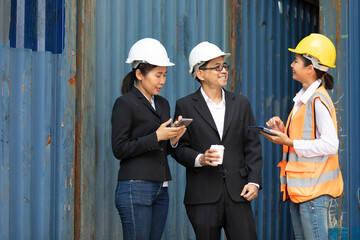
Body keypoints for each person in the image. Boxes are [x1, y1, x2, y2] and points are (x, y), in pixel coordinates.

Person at [171, 41, 263, 240]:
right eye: (217, 67)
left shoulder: (241, 104)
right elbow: (179, 148)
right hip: (203, 197)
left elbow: (253, 146)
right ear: (200, 74)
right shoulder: (185, 106)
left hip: (238, 193)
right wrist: (200, 159)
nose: (223, 71)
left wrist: (254, 181)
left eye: (225, 66)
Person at [262, 33, 344, 240]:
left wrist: (289, 141)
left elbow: (330, 145)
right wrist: (282, 132)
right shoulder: (303, 99)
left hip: (313, 192)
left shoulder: (317, 100)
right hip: (300, 190)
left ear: (310, 68)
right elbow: (303, 137)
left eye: (296, 61)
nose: (291, 64)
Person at [111, 38, 186, 240]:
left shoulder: (163, 103)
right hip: (135, 186)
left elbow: (165, 149)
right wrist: (156, 136)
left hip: (161, 188)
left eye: (165, 75)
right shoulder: (124, 103)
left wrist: (173, 139)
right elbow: (119, 148)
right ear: (139, 74)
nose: (162, 81)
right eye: (157, 75)